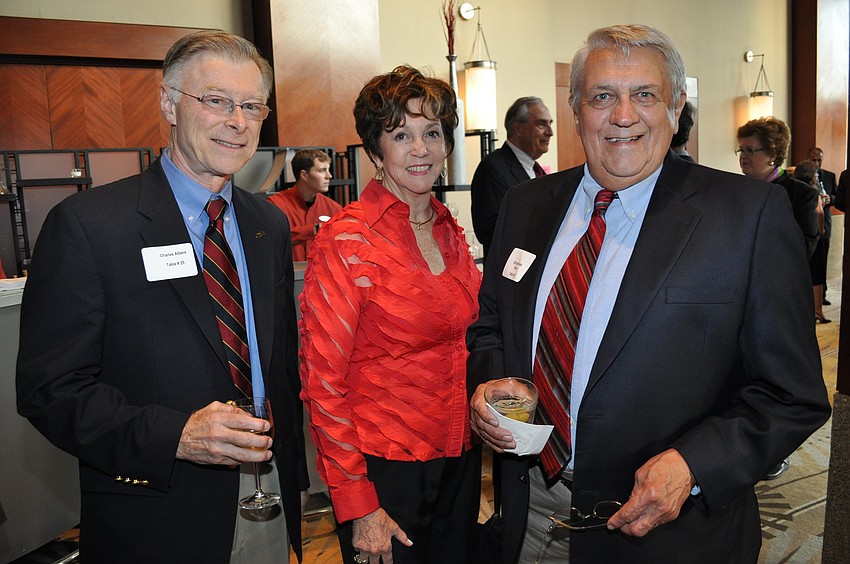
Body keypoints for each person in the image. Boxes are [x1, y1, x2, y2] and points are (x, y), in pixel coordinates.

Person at [467, 24, 831, 564]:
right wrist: (491, 382)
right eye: (602, 97)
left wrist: (693, 466)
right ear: (576, 110)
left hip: (671, 534)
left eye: (644, 94)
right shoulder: (525, 205)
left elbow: (792, 393)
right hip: (530, 512)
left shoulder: (746, 216)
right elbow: (491, 325)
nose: (622, 115)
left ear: (676, 105)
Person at [16, 31, 309, 563]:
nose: (237, 122)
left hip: (267, 497)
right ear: (169, 103)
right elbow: (50, 391)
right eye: (217, 100)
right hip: (156, 515)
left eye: (251, 106)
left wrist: (297, 483)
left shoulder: (267, 223)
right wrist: (177, 435)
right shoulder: (88, 226)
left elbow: (280, 372)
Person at [299, 65, 482, 564]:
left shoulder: (448, 227)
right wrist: (358, 503)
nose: (420, 149)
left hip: (459, 459)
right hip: (384, 472)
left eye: (432, 133)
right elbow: (322, 384)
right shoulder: (346, 240)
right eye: (401, 135)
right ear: (376, 151)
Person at [471, 96, 553, 259]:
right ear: (518, 128)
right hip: (509, 274)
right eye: (541, 124)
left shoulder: (536, 171)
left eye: (550, 124)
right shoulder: (493, 168)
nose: (550, 132)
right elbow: (489, 231)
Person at [737, 117, 820, 260]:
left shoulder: (802, 194)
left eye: (750, 150)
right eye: (741, 150)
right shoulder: (737, 189)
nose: (743, 156)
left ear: (773, 154)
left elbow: (805, 247)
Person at [267, 148, 342, 262]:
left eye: (328, 170)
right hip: (289, 277)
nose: (329, 176)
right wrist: (313, 229)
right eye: (322, 170)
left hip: (323, 276)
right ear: (304, 175)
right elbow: (271, 239)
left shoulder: (334, 208)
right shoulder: (275, 205)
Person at [793, 160, 830, 323]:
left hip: (797, 239)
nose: (817, 175)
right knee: (817, 275)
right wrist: (821, 230)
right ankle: (818, 311)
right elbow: (819, 213)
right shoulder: (810, 191)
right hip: (813, 237)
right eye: (815, 173)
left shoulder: (791, 188)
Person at [805, 147, 836, 304]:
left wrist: (830, 198)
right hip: (809, 225)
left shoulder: (830, 176)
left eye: (819, 160)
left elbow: (837, 197)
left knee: (822, 262)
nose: (817, 163)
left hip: (825, 225)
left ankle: (822, 295)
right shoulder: (802, 174)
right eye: (813, 159)